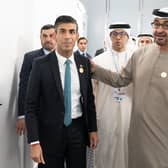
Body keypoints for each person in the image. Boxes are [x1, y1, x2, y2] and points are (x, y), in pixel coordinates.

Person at [91, 7, 168, 168]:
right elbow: (120, 79)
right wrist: (94, 69)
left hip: (163, 135)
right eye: (156, 24)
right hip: (138, 134)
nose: (160, 30)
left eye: (166, 25)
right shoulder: (140, 54)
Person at [25, 15, 98, 168]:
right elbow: (30, 105)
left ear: (77, 36)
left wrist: (92, 129)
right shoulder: (40, 65)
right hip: (49, 133)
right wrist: (34, 142)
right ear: (55, 35)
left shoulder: (83, 63)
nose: (67, 37)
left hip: (77, 130)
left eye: (72, 32)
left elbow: (89, 99)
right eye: (62, 31)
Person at [92, 22, 133, 168]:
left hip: (130, 113)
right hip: (105, 112)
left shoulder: (136, 59)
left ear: (128, 37)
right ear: (109, 37)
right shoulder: (98, 61)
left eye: (122, 34)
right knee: (105, 151)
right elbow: (91, 92)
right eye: (114, 34)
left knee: (128, 151)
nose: (118, 38)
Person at [16, 24, 56, 168]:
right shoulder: (31, 58)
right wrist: (21, 115)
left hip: (60, 117)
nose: (48, 39)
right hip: (38, 116)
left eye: (51, 36)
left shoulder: (64, 58)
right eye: (44, 36)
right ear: (40, 38)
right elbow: (23, 87)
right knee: (42, 157)